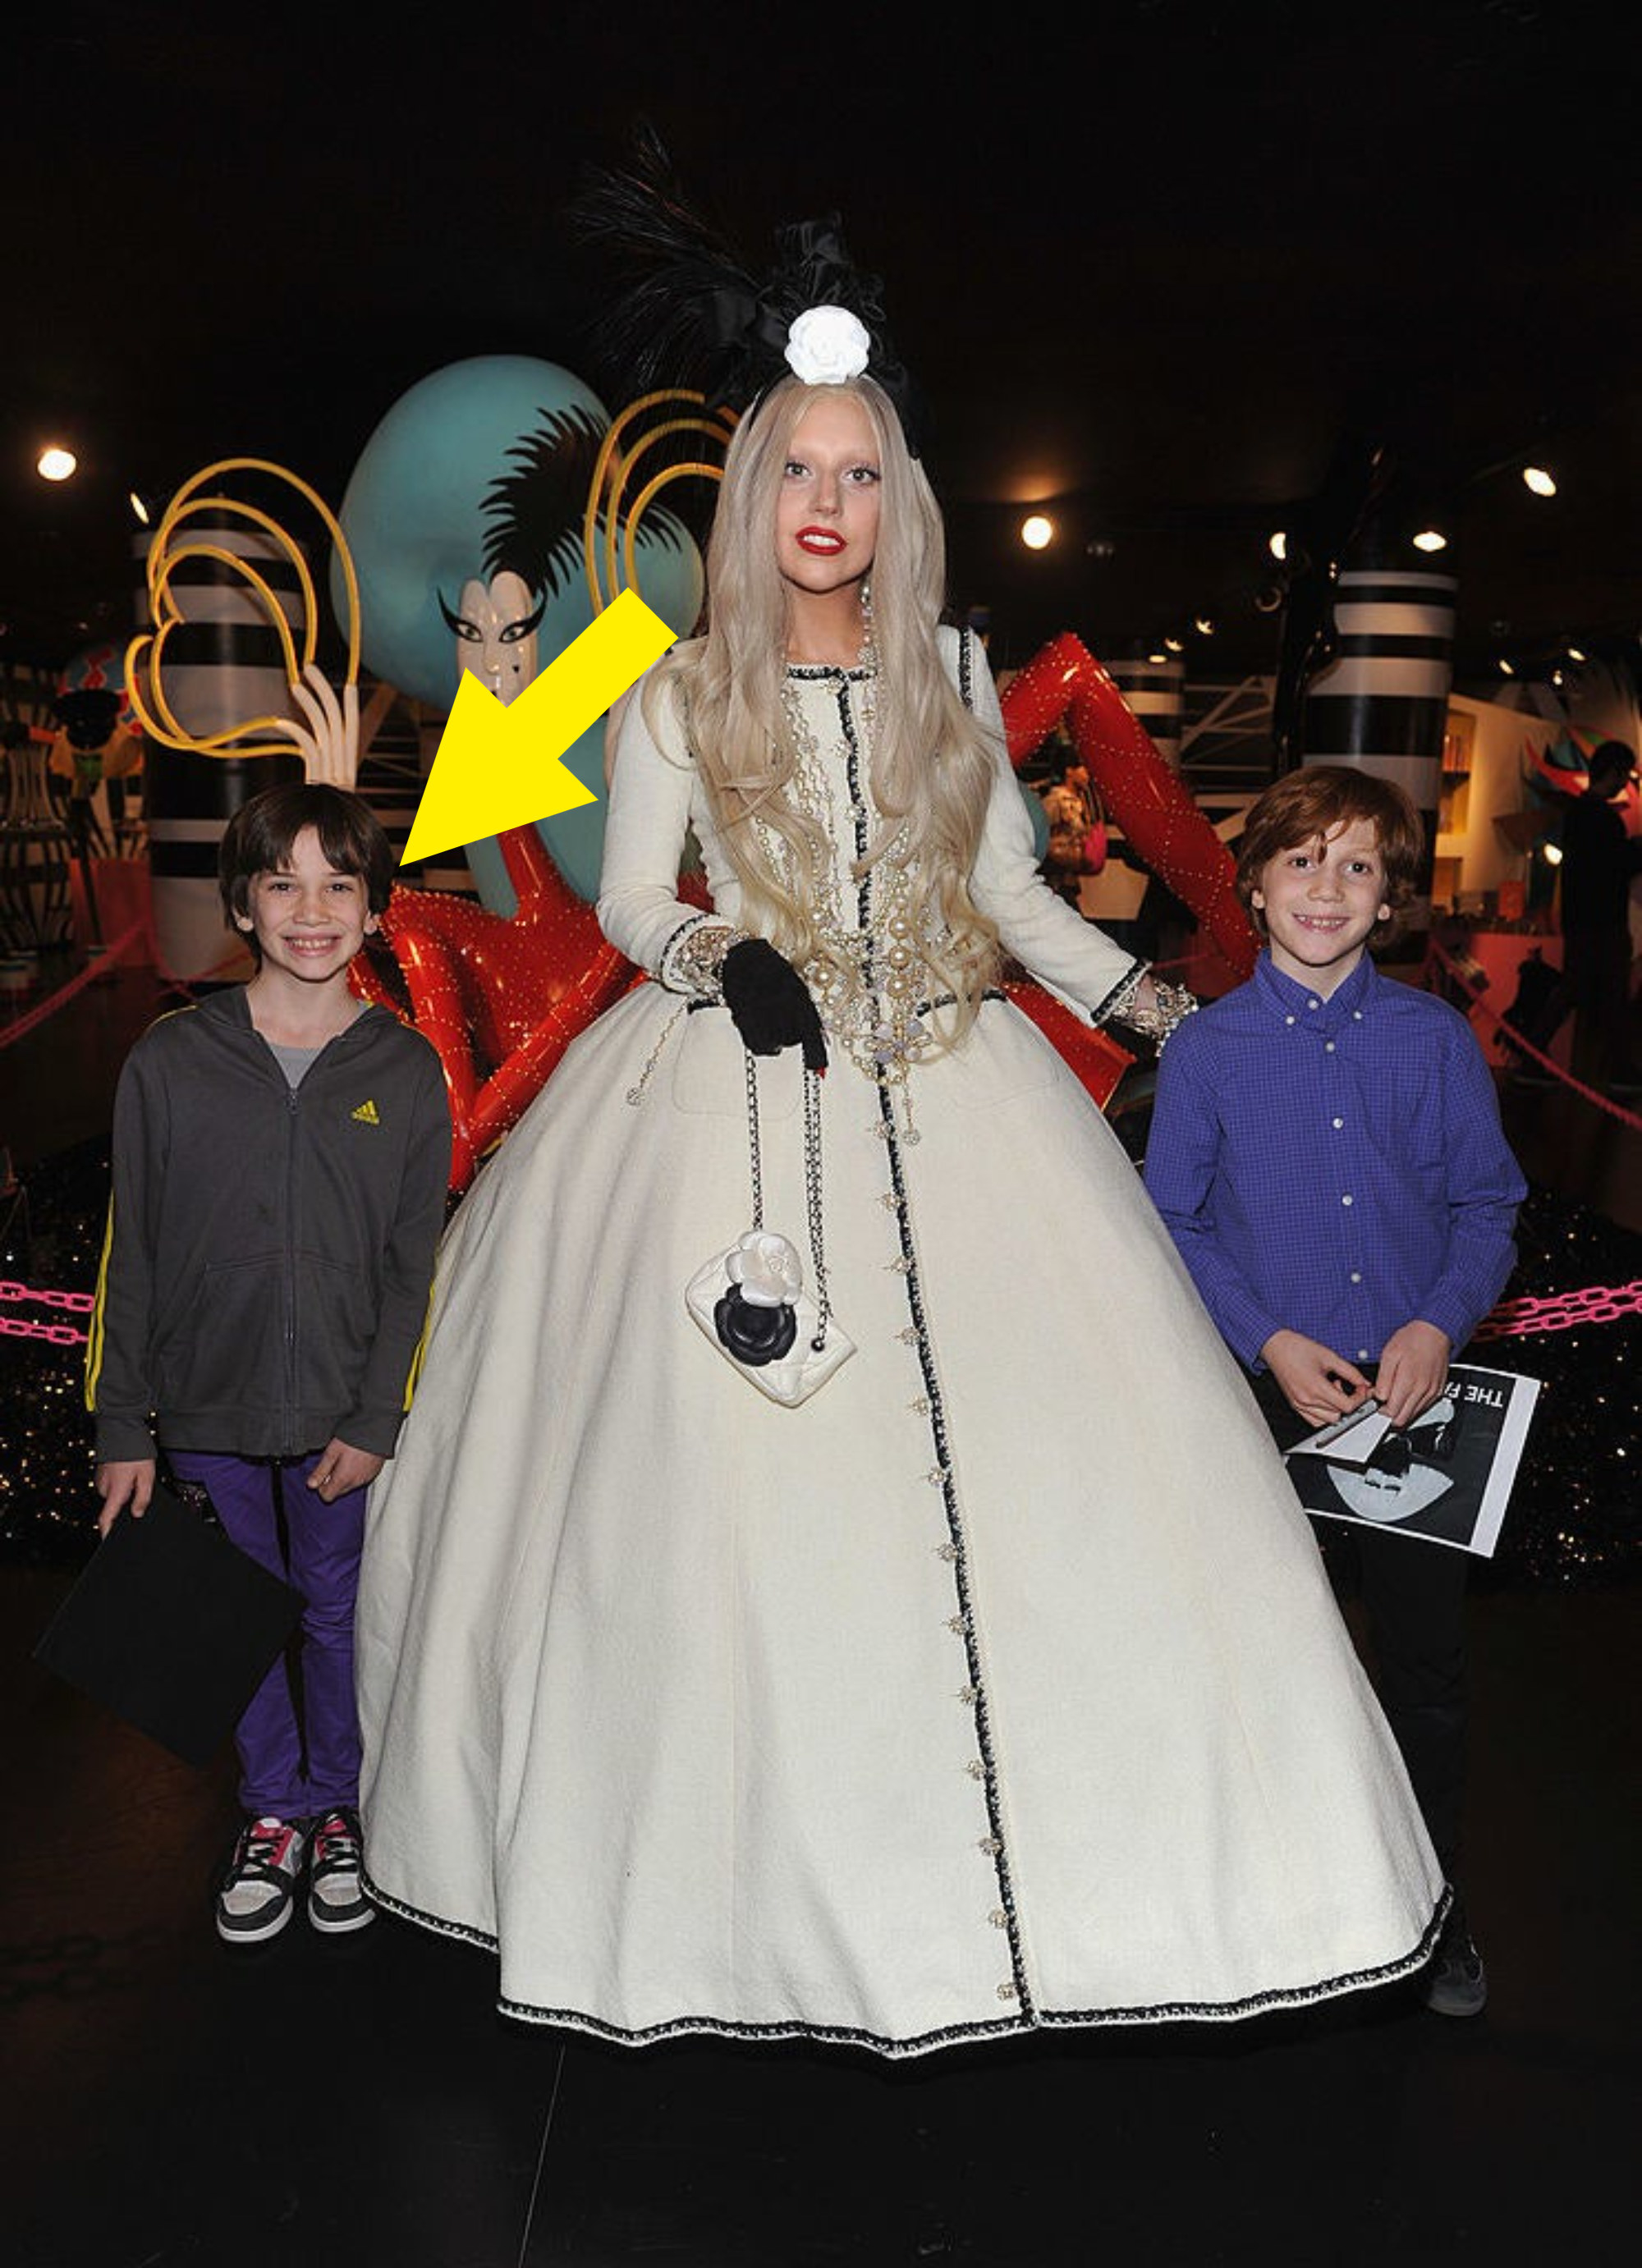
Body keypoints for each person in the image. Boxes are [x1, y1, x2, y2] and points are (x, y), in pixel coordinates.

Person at [356, 283, 1449, 2055]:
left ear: (897, 502)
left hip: (962, 1078)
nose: (827, 500)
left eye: (860, 474)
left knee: (1080, 1482)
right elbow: (637, 898)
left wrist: (1179, 1013)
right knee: (713, 1505)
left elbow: (1014, 896)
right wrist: (722, 958)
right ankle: (740, 1901)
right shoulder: (670, 689)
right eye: (799, 465)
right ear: (752, 485)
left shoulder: (948, 675)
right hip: (742, 1091)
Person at [1144, 765, 1526, 2018]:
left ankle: (1430, 1907)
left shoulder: (1430, 1041)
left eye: (1357, 865)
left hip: (1414, 1409)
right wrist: (1266, 1338)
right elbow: (1173, 1223)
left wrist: (1436, 1320)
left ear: (1392, 900)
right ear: (1252, 885)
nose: (1327, 887)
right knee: (1266, 1665)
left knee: (1423, 1670)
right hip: (1266, 1409)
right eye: (1302, 860)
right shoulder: (1206, 1049)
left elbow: (1490, 1206)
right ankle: (1271, 1911)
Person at [87, 783, 451, 1945]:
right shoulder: (172, 1060)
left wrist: (378, 1415)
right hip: (205, 1405)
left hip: (341, 1415)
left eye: (339, 883)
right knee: (234, 1613)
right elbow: (129, 1246)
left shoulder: (404, 1070)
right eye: (282, 881)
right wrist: (123, 1425)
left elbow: (412, 1268)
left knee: (336, 1612)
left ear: (374, 909)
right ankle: (273, 1809)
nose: (311, 908)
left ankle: (337, 1803)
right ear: (243, 901)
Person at [1523, 739, 1642, 1088]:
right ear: (1614, 772)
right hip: (1603, 922)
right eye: (1625, 774)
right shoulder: (1603, 819)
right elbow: (1616, 867)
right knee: (1609, 994)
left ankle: (1531, 1056)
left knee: (1577, 990)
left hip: (1582, 919)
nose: (1626, 783)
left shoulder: (1578, 814)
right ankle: (1618, 1070)